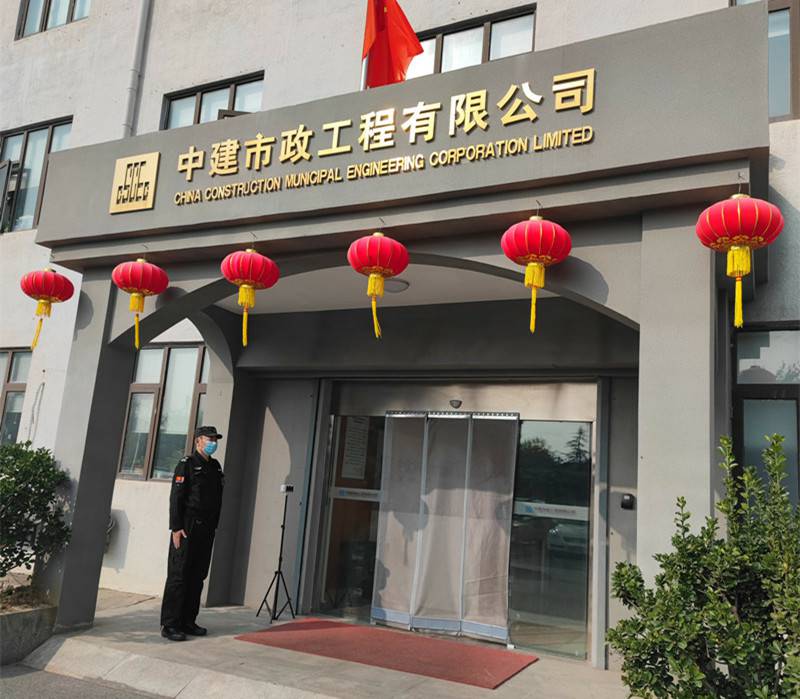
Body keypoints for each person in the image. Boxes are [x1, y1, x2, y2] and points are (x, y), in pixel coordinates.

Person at [160, 426, 225, 641]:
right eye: (209, 439)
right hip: (187, 528)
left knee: (198, 577)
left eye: (215, 439)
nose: (213, 443)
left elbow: (217, 499)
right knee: (179, 575)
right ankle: (170, 624)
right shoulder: (186, 464)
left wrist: (214, 526)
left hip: (206, 529)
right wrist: (176, 527)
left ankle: (188, 621)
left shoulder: (215, 467)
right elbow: (176, 498)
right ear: (198, 441)